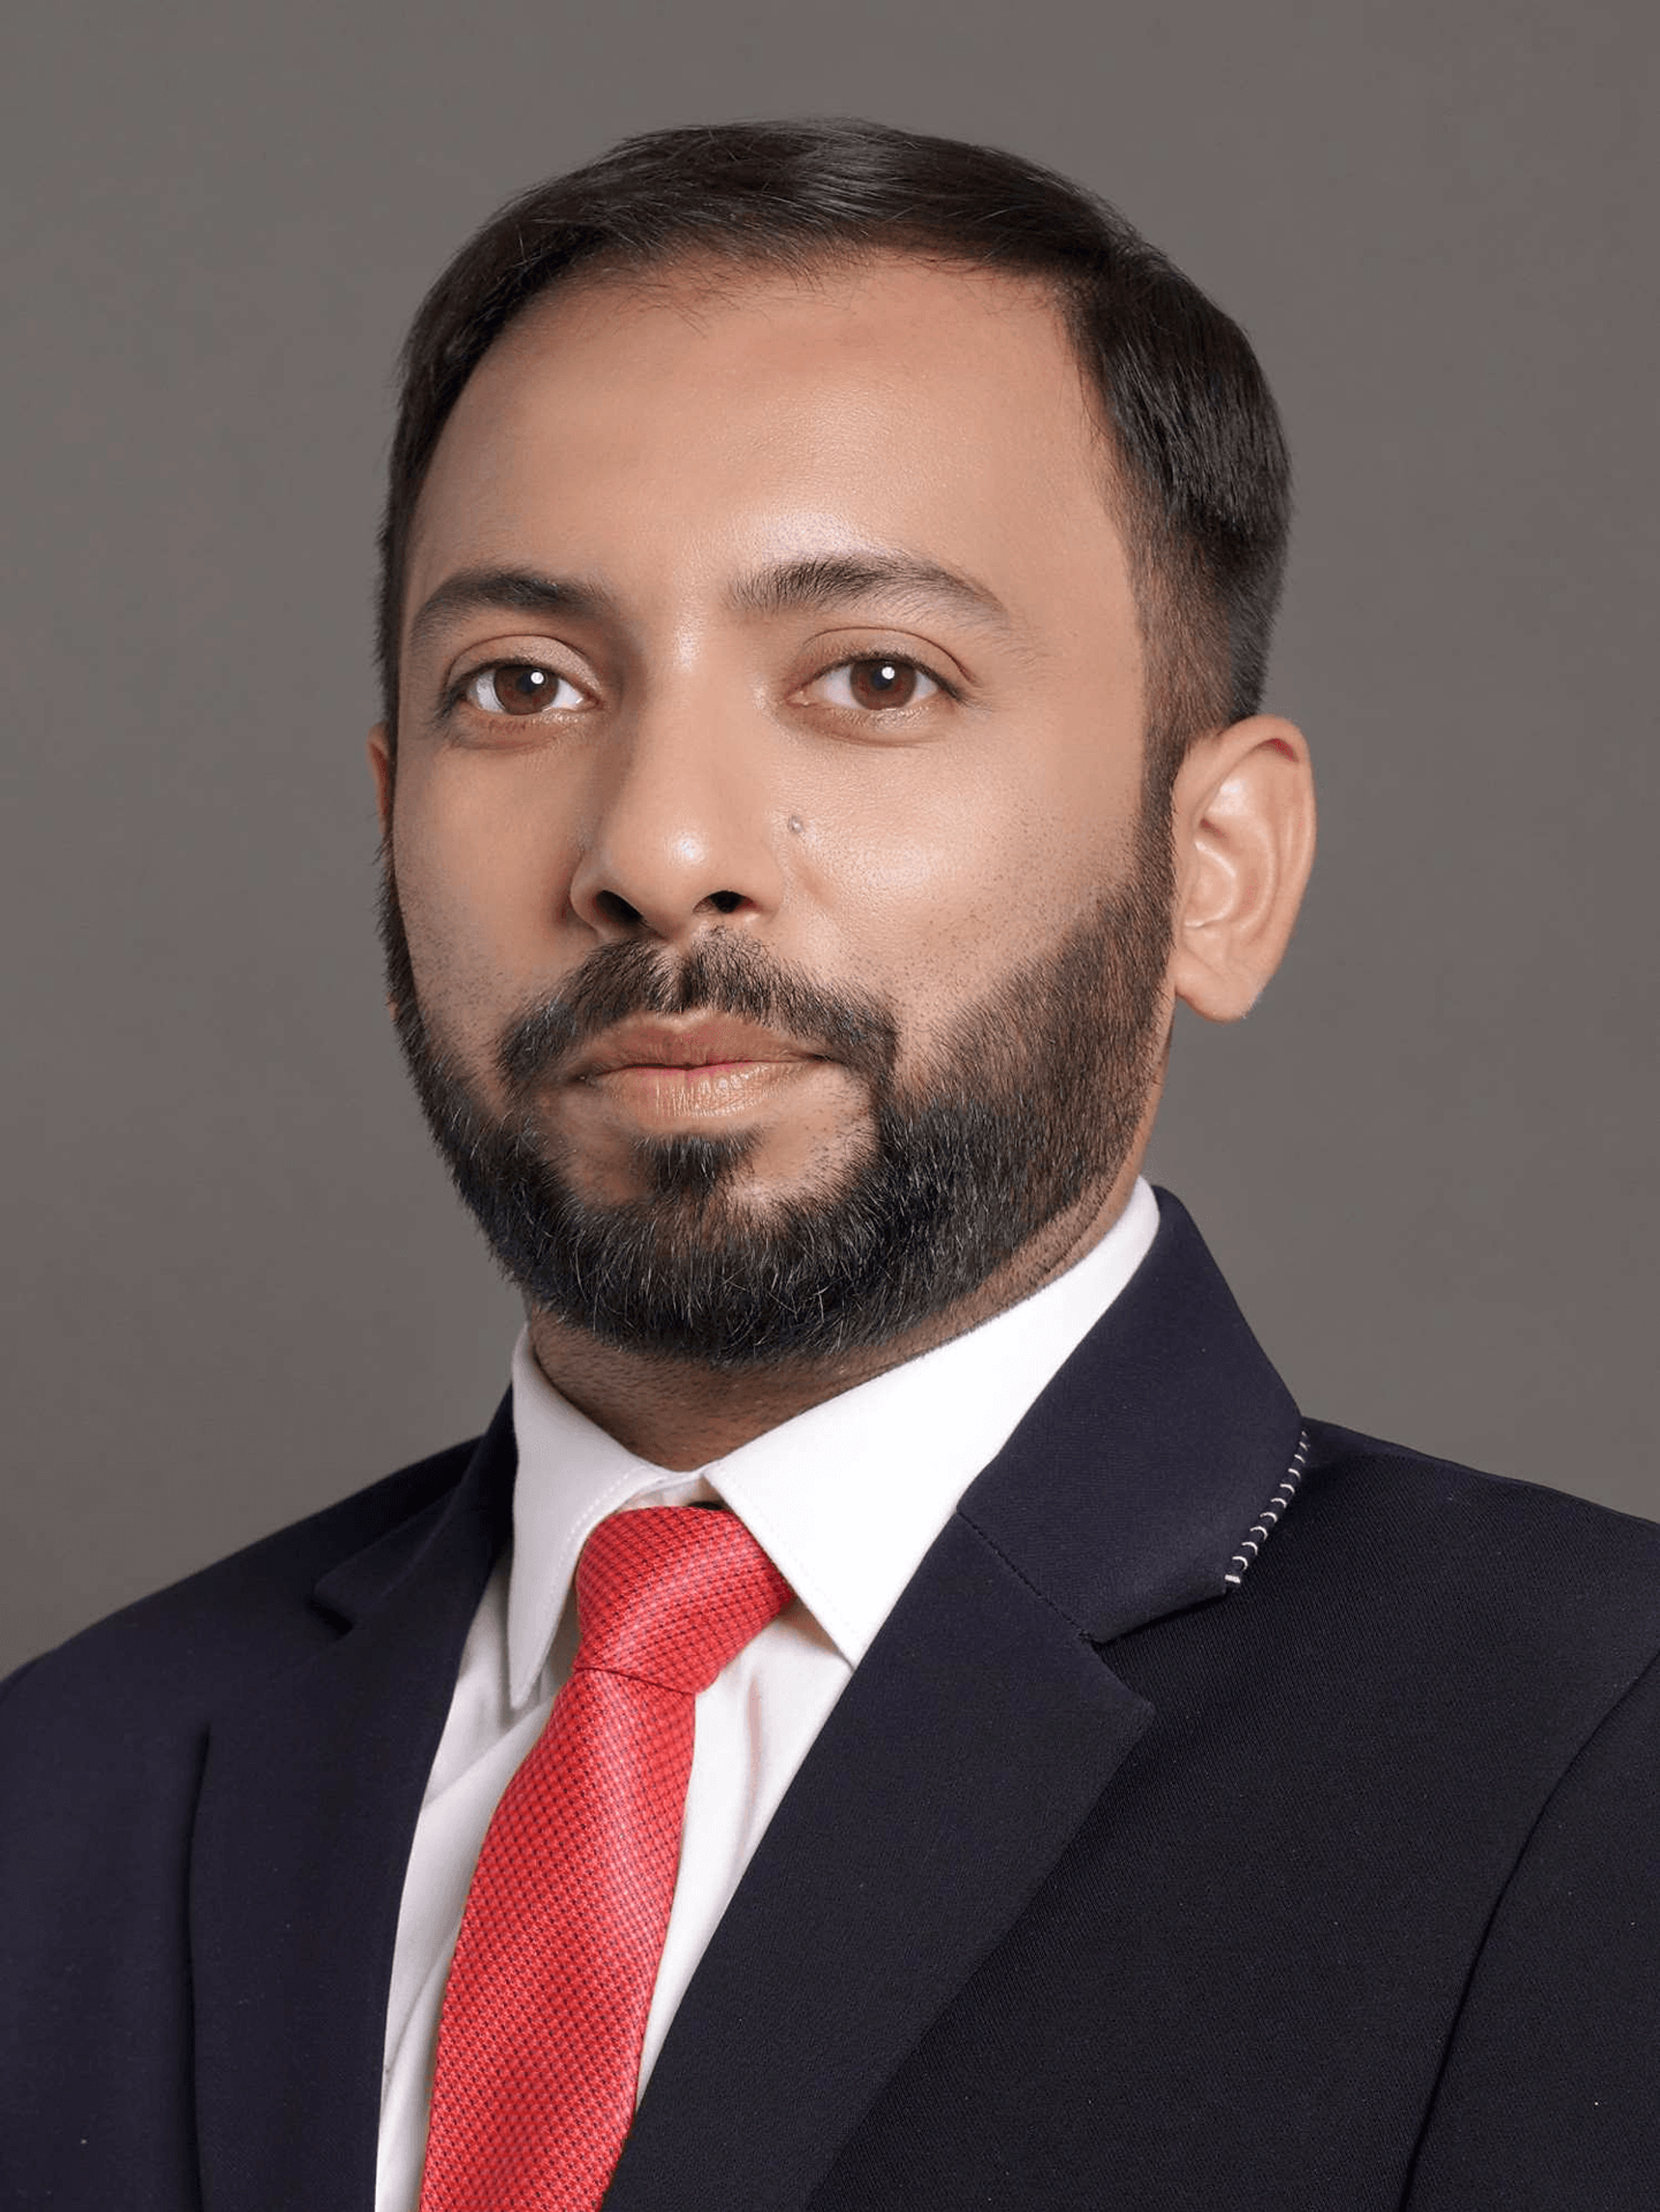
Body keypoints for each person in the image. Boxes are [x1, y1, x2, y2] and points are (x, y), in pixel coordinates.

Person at [3, 117, 1657, 2212]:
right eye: (522, 684)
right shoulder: (67, 1788)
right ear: (390, 808)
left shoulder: (1595, 1757)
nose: (657, 846)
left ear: (1215, 867)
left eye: (877, 677)